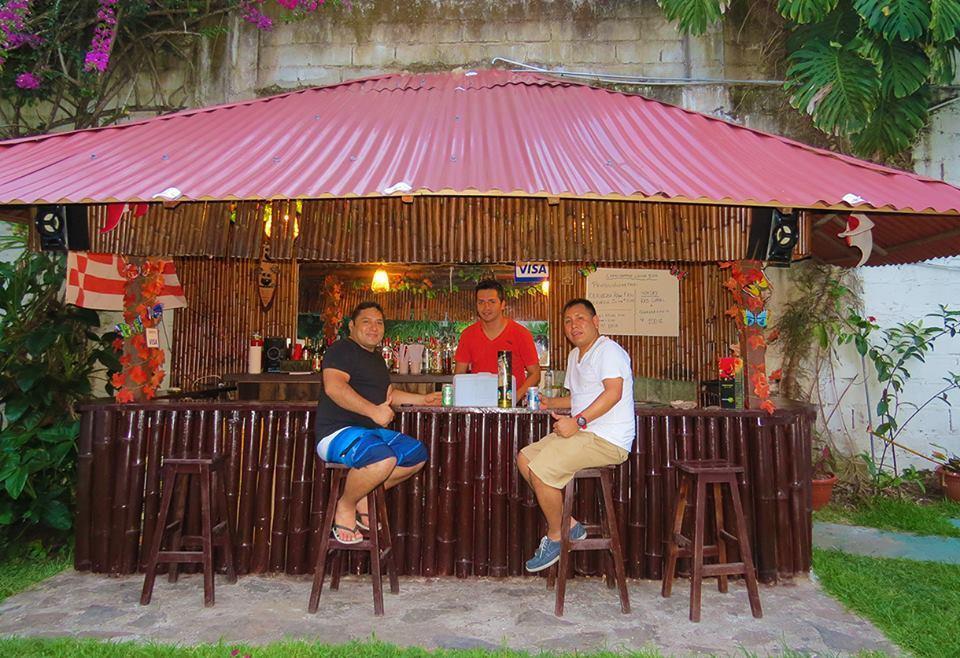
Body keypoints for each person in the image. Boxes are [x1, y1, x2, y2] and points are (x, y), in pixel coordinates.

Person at [516, 298, 635, 571]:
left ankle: (556, 536)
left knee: (542, 469)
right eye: (568, 321)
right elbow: (576, 400)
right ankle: (569, 524)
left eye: (580, 318)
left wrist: (578, 422)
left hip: (608, 439)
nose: (573, 325)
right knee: (525, 458)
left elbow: (613, 393)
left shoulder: (608, 351)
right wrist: (549, 403)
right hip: (586, 434)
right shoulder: (575, 356)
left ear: (595, 322)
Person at [315, 301, 440, 544]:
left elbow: (388, 395)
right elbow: (334, 387)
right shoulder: (342, 349)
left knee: (417, 454)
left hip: (369, 434)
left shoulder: (376, 359)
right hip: (335, 434)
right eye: (366, 321)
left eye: (379, 322)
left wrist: (423, 399)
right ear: (351, 326)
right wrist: (373, 411)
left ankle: (364, 496)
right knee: (383, 459)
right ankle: (346, 505)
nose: (374, 327)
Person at [454, 279, 541, 401]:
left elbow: (535, 373)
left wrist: (516, 396)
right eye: (481, 302)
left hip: (512, 406)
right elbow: (459, 375)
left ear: (503, 304)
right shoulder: (468, 335)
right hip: (477, 404)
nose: (486, 307)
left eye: (492, 301)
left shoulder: (520, 333)